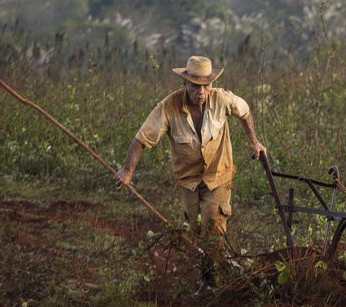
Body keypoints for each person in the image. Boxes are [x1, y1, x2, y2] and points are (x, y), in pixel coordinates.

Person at [114, 55, 267, 287]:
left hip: (219, 177)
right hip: (188, 182)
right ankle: (223, 260)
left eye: (206, 85)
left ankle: (209, 283)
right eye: (196, 86)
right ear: (185, 84)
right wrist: (127, 171)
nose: (202, 91)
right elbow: (141, 139)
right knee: (198, 229)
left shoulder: (223, 99)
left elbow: (245, 113)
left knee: (212, 223)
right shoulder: (169, 107)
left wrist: (254, 143)